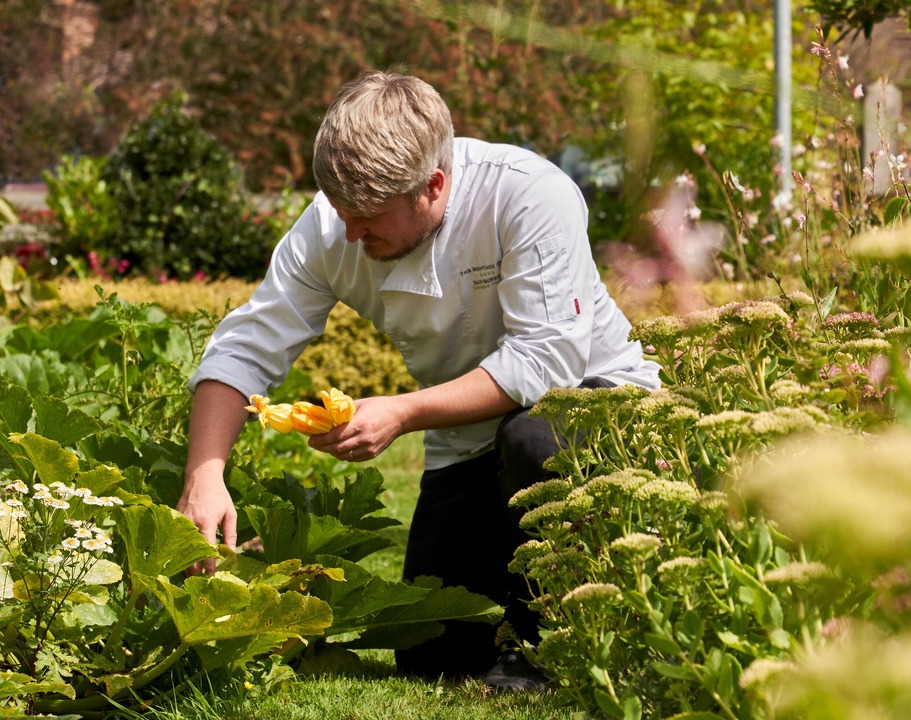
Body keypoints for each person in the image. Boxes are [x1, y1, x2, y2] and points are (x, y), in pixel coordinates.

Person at [177, 70, 660, 688]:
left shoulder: (531, 194)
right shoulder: (332, 225)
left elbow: (547, 362)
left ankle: (560, 641)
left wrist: (402, 412)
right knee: (433, 658)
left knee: (534, 438)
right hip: (464, 437)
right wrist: (205, 473)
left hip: (594, 413)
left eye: (368, 217)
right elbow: (244, 347)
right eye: (342, 213)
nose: (350, 233)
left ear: (433, 185)